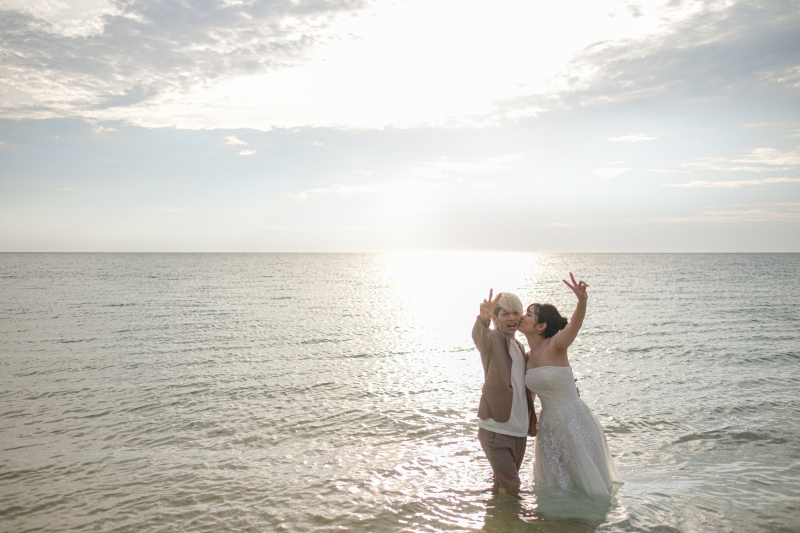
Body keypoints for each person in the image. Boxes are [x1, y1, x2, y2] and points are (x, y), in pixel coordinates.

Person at [520, 273, 622, 495]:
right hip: (548, 425)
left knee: (584, 483)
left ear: (541, 326)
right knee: (555, 485)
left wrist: (582, 301)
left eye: (528, 314)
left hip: (573, 419)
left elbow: (575, 325)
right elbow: (530, 397)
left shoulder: (556, 345)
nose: (522, 316)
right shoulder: (526, 357)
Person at [472, 289, 536, 492]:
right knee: (512, 486)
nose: (512, 318)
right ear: (496, 318)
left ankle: (496, 512)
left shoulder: (519, 347)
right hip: (496, 430)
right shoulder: (491, 340)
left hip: (519, 430)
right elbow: (479, 337)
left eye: (516, 313)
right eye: (505, 313)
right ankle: (514, 514)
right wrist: (483, 319)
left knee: (502, 485)